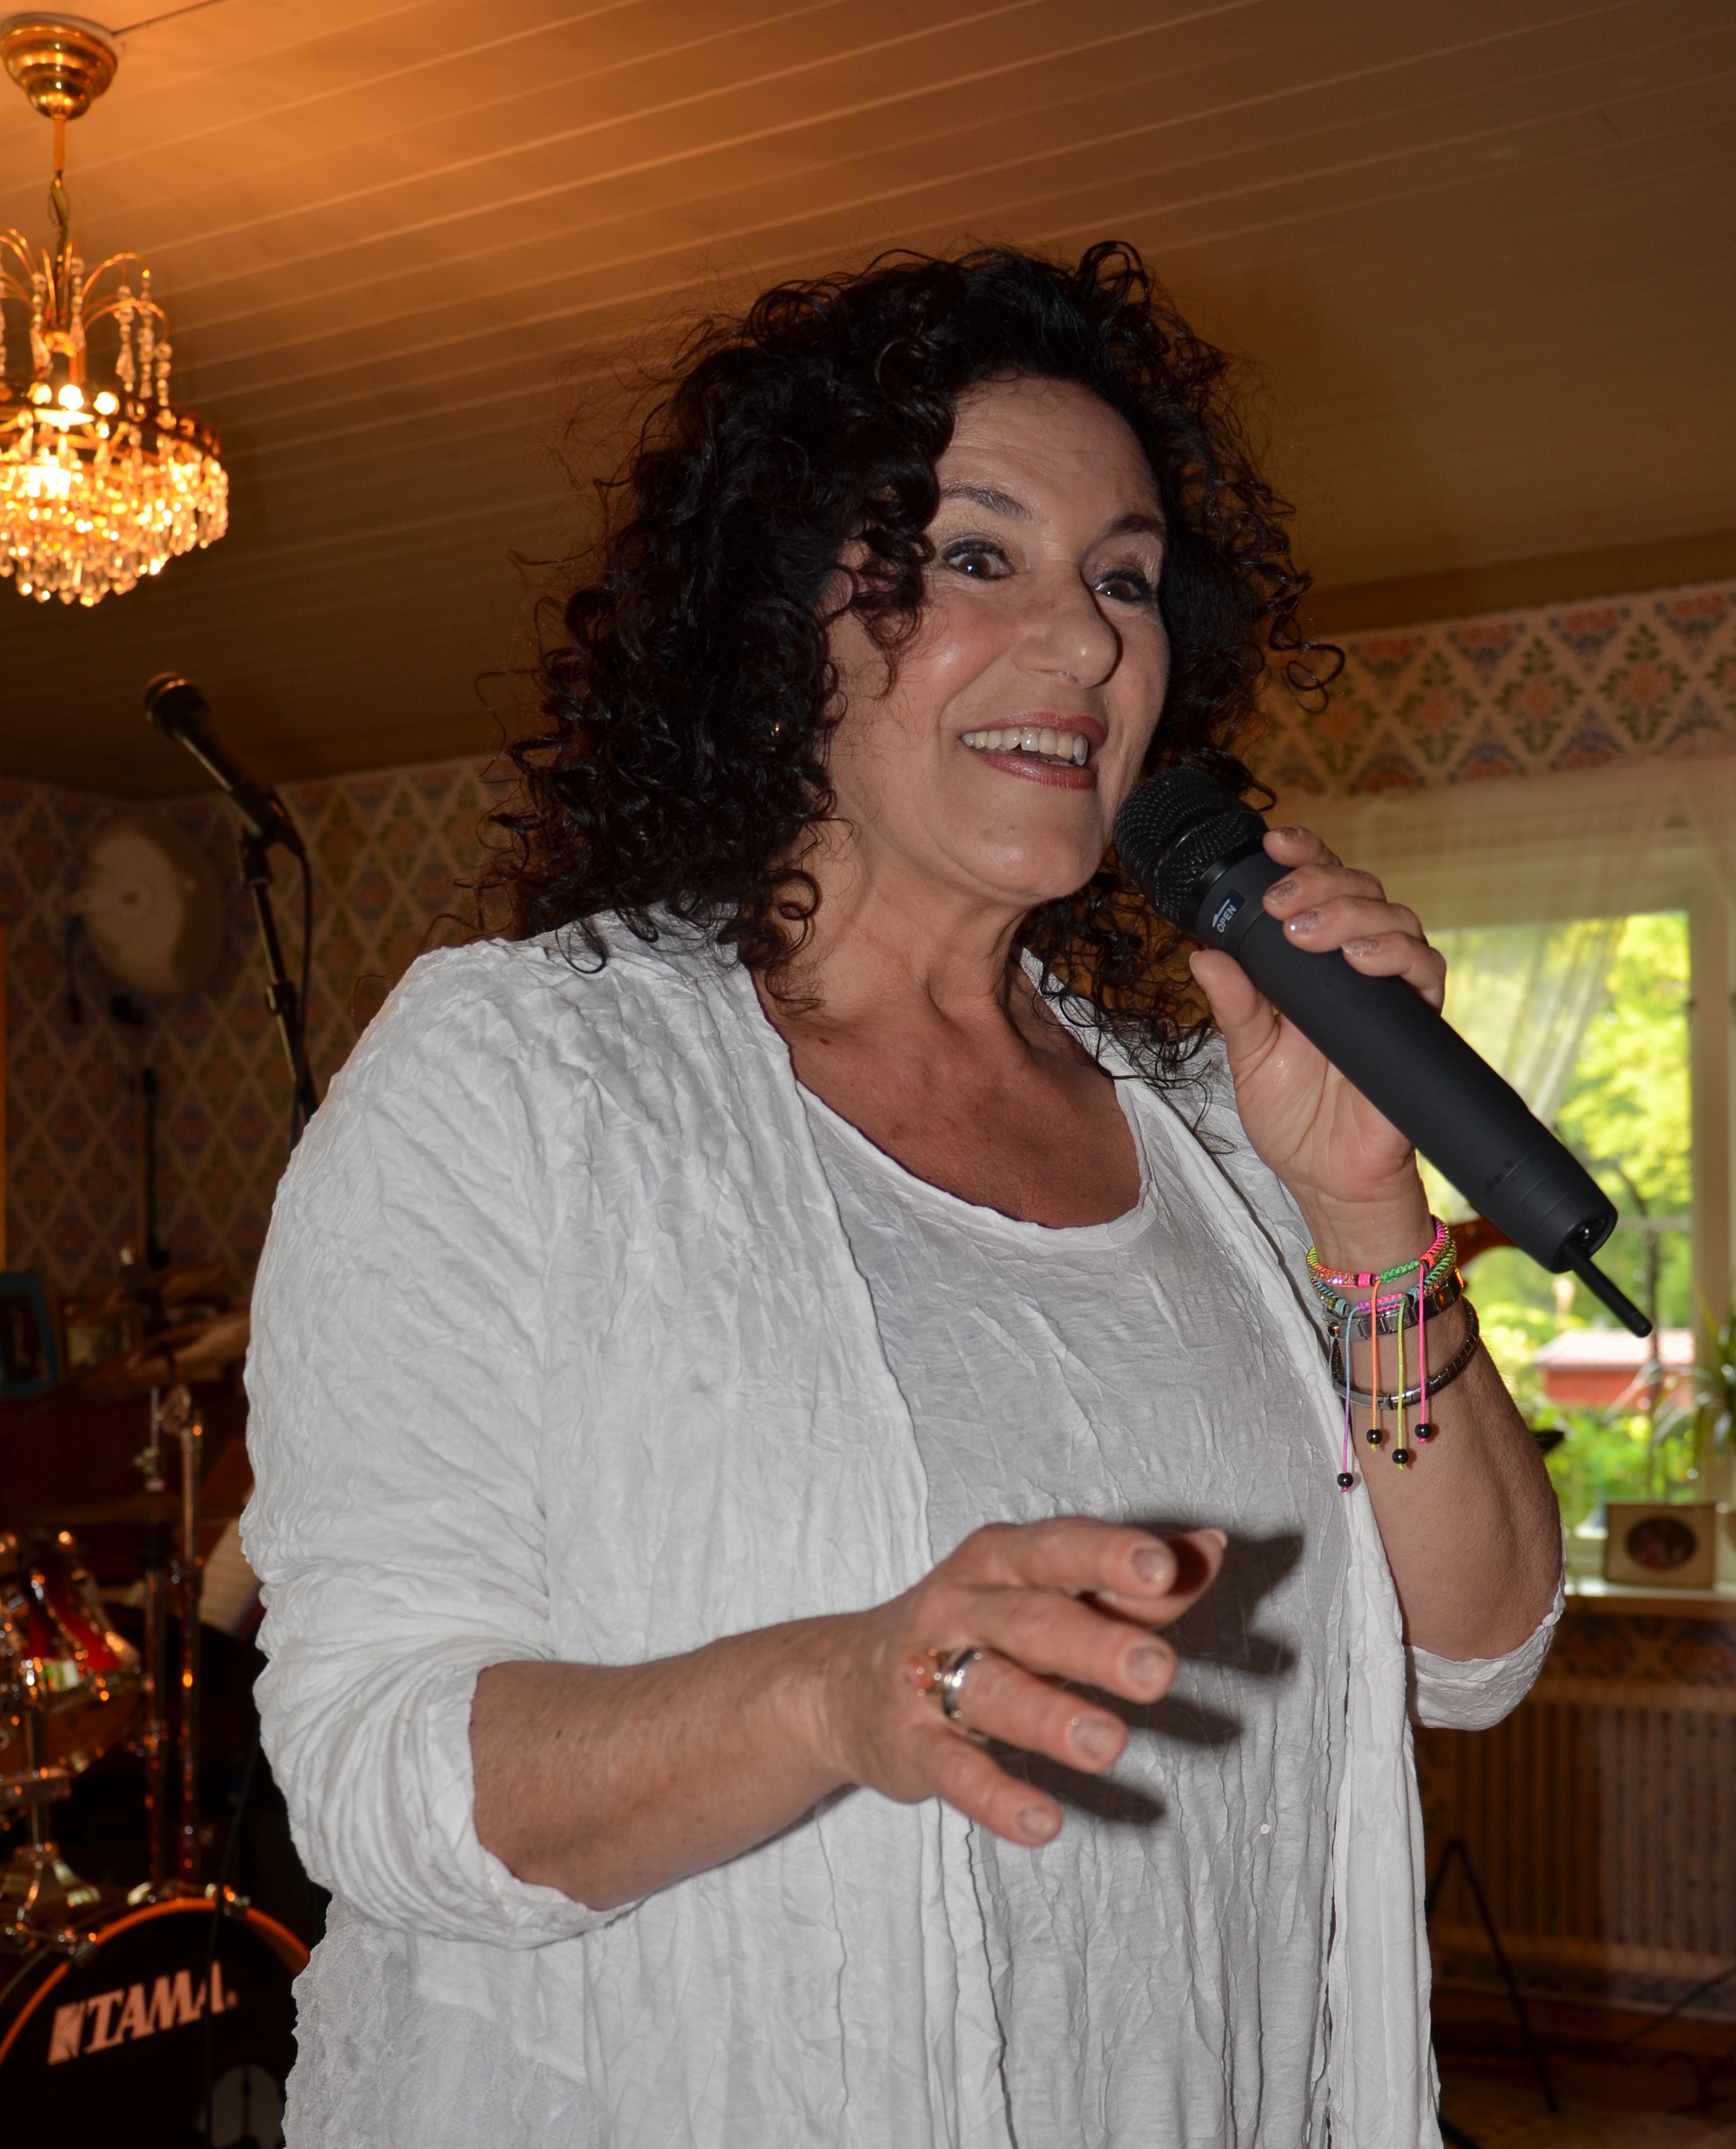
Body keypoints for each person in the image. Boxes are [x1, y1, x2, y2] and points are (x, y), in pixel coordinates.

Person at [245, 244, 1563, 2149]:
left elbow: (1479, 1645)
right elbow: (376, 1774)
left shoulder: (1213, 1124)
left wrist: (1366, 1212)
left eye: (1125, 578)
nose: (1088, 642)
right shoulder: (522, 1074)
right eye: (975, 555)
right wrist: (838, 1698)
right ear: (780, 621)